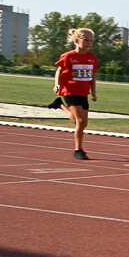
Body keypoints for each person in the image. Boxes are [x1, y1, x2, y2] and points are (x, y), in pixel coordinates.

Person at [51, 28, 98, 160]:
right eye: (86, 40)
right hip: (70, 91)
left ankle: (60, 105)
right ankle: (78, 150)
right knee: (81, 121)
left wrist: (93, 92)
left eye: (91, 41)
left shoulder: (92, 58)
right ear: (77, 41)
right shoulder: (69, 56)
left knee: (82, 123)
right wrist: (57, 84)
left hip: (84, 93)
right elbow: (59, 71)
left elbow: (92, 77)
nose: (89, 43)